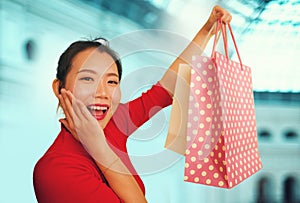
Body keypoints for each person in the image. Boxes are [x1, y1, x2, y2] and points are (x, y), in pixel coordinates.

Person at [33, 5, 232, 203]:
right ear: (59, 88)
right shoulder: (55, 170)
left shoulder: (113, 122)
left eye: (111, 81)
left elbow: (166, 89)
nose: (101, 93)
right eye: (87, 79)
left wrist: (207, 30)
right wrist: (99, 148)